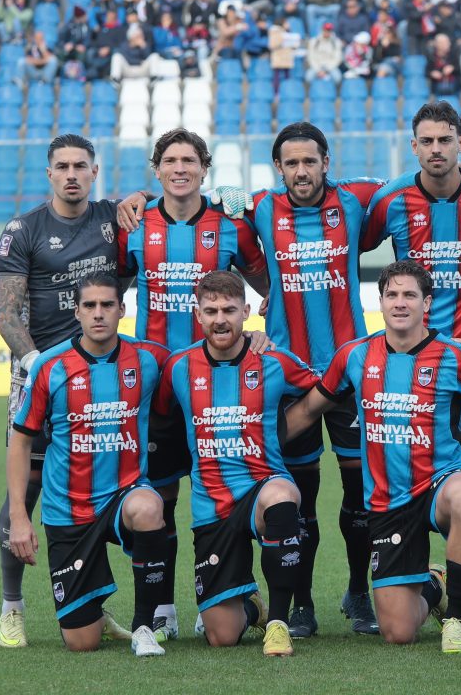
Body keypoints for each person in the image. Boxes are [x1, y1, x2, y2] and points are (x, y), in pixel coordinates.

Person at [247, 121, 461, 637]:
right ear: (279, 169)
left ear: (326, 162)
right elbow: (190, 193)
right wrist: (140, 195)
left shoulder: (361, 198)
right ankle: (300, 604)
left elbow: (432, 172)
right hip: (288, 374)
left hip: (351, 373)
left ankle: (359, 591)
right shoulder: (257, 207)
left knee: (357, 495)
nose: (302, 170)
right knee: (296, 493)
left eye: (310, 161)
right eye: (291, 163)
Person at [284, 261, 461, 652]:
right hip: (390, 499)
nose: (400, 303)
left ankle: (455, 616)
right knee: (398, 631)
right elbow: (307, 411)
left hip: (441, 481)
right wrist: (261, 442)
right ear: (381, 301)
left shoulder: (453, 356)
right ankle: (435, 586)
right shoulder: (354, 356)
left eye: (409, 295)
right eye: (392, 294)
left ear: (427, 303)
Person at [363, 102, 461, 637]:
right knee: (398, 477)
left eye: (446, 140)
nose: (436, 149)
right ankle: (419, 582)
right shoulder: (390, 200)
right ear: (414, 146)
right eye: (426, 141)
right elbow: (346, 236)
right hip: (410, 369)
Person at [116, 128, 269, 642]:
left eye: (189, 160)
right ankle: (160, 607)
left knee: (221, 493)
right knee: (158, 500)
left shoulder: (230, 224)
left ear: (205, 168)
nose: (180, 168)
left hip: (219, 390)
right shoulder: (134, 224)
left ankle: (222, 594)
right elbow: (109, 292)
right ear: (155, 169)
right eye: (170, 161)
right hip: (156, 390)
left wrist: (263, 334)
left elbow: (269, 284)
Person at [0, 135, 130, 650]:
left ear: (95, 171)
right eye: (62, 167)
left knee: (97, 489)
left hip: (99, 375)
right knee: (24, 492)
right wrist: (38, 368)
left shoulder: (114, 220)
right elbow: (7, 314)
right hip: (41, 376)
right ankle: (12, 607)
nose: (71, 174)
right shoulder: (23, 230)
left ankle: (89, 602)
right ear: (49, 174)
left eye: (80, 166)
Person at [7, 271, 172, 656]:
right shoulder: (51, 366)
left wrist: (252, 338)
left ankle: (145, 627)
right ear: (77, 312)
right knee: (82, 643)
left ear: (122, 310)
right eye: (90, 306)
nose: (99, 314)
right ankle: (93, 610)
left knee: (149, 507)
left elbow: (205, 358)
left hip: (123, 494)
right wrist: (18, 515)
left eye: (107, 305)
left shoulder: (149, 359)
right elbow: (20, 440)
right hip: (68, 509)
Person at [152, 270, 316, 657]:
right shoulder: (179, 368)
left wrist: (285, 430)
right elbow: (160, 415)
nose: (220, 318)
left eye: (229, 309)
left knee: (281, 498)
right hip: (212, 505)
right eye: (211, 311)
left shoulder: (273, 360)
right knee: (221, 636)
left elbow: (322, 390)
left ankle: (278, 621)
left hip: (262, 485)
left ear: (246, 311)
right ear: (198, 315)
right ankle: (251, 606)